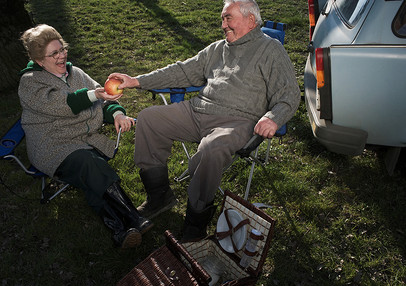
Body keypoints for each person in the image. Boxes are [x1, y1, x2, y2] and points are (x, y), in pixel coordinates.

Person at [109, 0, 301, 242]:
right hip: (198, 110)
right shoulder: (218, 49)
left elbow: (290, 94)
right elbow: (182, 71)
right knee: (149, 119)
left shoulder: (271, 50)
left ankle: (195, 221)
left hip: (237, 121)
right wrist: (137, 80)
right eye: (222, 19)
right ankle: (159, 196)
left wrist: (273, 118)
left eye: (228, 18)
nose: (223, 25)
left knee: (211, 149)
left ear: (251, 20)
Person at [18, 24, 153, 248]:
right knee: (89, 164)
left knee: (90, 173)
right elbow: (62, 104)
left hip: (81, 140)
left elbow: (103, 97)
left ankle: (120, 231)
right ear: (40, 60)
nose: (62, 56)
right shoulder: (30, 82)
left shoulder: (76, 73)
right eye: (54, 54)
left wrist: (118, 113)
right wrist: (92, 94)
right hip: (51, 144)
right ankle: (133, 218)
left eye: (62, 49)